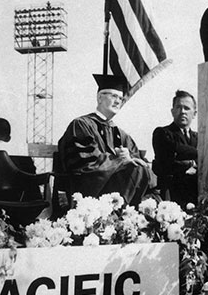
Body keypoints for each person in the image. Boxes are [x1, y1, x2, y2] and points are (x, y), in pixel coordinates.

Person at [57, 74, 157, 205]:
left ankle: (130, 218)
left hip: (117, 187)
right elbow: (86, 163)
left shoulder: (121, 134)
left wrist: (131, 159)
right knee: (137, 170)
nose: (117, 101)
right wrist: (121, 160)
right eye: (113, 96)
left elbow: (136, 159)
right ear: (99, 98)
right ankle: (120, 215)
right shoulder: (81, 124)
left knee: (145, 172)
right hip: (89, 188)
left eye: (120, 98)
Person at [152, 90, 198, 208]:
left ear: (194, 113)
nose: (182, 111)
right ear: (172, 111)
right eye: (178, 107)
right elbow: (165, 163)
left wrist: (182, 158)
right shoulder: (162, 133)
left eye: (187, 108)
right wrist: (193, 162)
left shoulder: (200, 138)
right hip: (172, 194)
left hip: (196, 192)